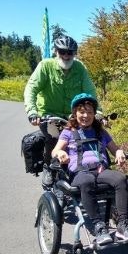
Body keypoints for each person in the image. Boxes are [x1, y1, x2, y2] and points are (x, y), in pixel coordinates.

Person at [51, 93, 128, 245]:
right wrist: (61, 153)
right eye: (82, 112)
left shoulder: (101, 132)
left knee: (120, 179)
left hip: (101, 171)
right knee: (87, 181)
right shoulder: (68, 132)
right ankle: (99, 226)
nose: (86, 115)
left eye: (90, 112)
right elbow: (55, 151)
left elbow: (114, 148)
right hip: (81, 173)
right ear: (75, 113)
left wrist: (119, 152)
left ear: (94, 114)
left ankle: (122, 224)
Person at [24, 34, 103, 186]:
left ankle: (81, 169)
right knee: (54, 138)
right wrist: (32, 112)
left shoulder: (79, 68)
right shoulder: (45, 66)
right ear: (56, 52)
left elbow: (90, 91)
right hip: (49, 114)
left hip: (72, 115)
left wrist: (97, 111)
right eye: (62, 52)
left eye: (70, 52)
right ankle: (48, 167)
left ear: (74, 53)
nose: (66, 56)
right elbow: (31, 89)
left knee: (81, 138)